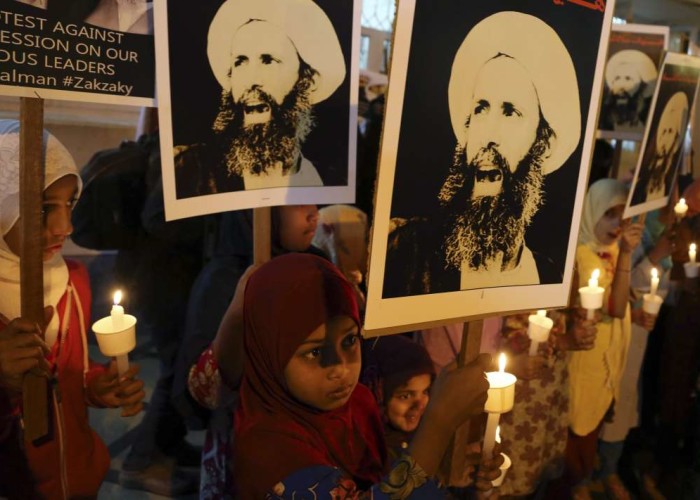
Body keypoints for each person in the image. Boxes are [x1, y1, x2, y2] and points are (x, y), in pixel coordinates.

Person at [232, 253, 502, 498]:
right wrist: (439, 425)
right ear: (268, 354)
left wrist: (445, 467)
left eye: (349, 341)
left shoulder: (358, 402)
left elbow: (382, 482)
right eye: (314, 353)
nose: (340, 367)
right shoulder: (267, 449)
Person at [385, 12, 581, 296]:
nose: (488, 136)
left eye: (510, 112)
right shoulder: (408, 250)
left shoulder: (547, 276)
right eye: (480, 109)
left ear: (544, 143)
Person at [0, 120, 145, 498]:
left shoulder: (72, 280)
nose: (65, 226)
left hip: (80, 478)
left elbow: (73, 376)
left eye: (70, 204)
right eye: (44, 207)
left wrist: (98, 386)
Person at [174, 205, 322, 499]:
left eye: (315, 200)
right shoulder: (222, 282)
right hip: (243, 440)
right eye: (298, 205)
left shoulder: (316, 263)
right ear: (261, 214)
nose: (313, 214)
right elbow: (202, 389)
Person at [174, 0, 346, 195]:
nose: (251, 80)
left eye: (269, 61)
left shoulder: (326, 179)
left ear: (307, 82)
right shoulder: (192, 169)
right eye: (240, 62)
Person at [565, 178, 642, 499]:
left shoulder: (607, 252)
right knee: (572, 442)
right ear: (590, 211)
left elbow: (621, 307)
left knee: (589, 434)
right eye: (609, 213)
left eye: (624, 217)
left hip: (603, 366)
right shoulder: (580, 257)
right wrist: (625, 255)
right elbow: (614, 305)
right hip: (582, 363)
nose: (618, 224)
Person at [361, 335, 435, 461]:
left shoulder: (426, 434)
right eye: (405, 396)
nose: (420, 405)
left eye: (425, 392)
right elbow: (405, 480)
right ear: (378, 394)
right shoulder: (365, 452)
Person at [630, 91, 689, 205]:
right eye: (664, 131)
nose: (664, 138)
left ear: (676, 136)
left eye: (670, 131)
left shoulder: (672, 176)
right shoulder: (644, 174)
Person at [599, 50, 658, 131]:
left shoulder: (646, 128)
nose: (621, 86)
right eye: (617, 78)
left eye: (628, 78)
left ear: (641, 87)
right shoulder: (602, 125)